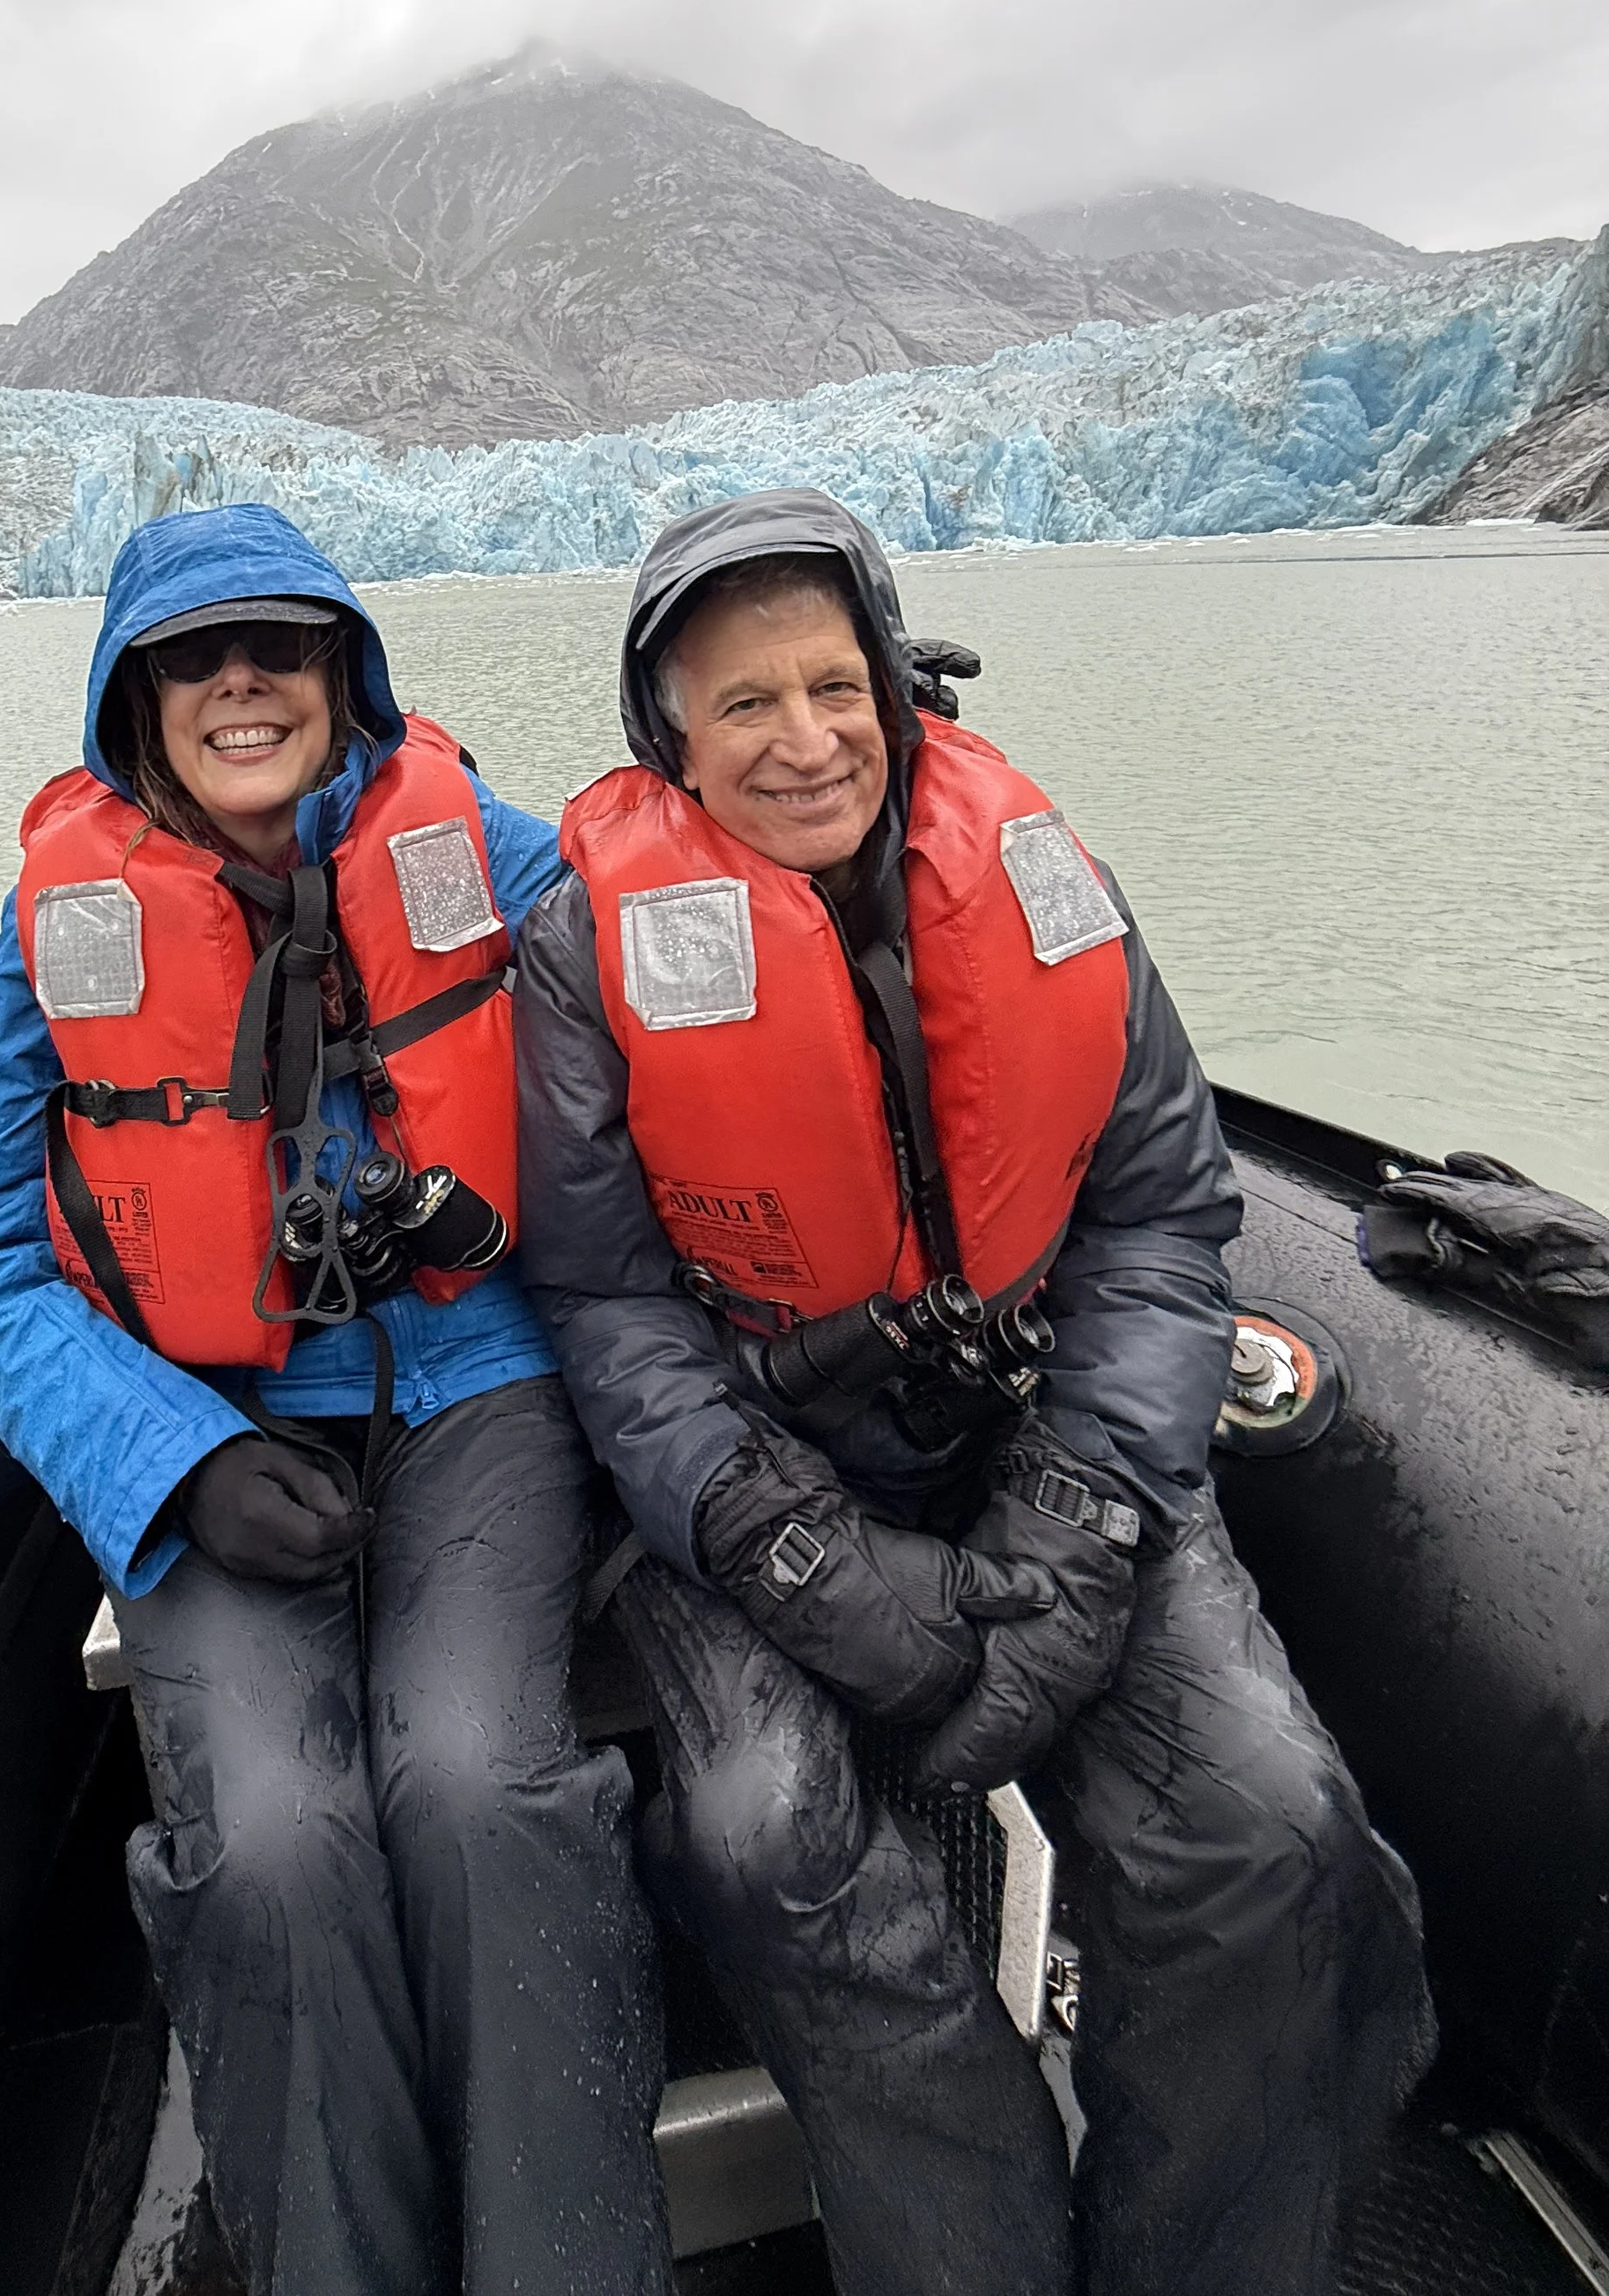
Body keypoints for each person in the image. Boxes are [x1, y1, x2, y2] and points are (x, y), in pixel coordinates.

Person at [514, 487, 1434, 2296]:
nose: (804, 739)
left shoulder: (1037, 878)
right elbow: (609, 1310)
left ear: (891, 682)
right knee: (767, 1844)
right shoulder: (584, 953)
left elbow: (1160, 1209)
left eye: (832, 683)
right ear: (667, 742)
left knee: (1266, 1817)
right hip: (766, 1463)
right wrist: (802, 1564)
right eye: (744, 705)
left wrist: (1088, 1512)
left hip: (1045, 1439)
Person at [0, 502, 671, 2296]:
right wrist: (173, 1462)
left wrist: (860, 763)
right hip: (207, 1421)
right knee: (262, 1841)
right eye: (195, 652)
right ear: (132, 695)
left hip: (473, 1386)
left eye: (283, 644)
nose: (241, 680)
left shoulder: (472, 843)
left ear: (349, 673)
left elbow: (675, 923)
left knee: (477, 1787)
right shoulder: (59, 925)